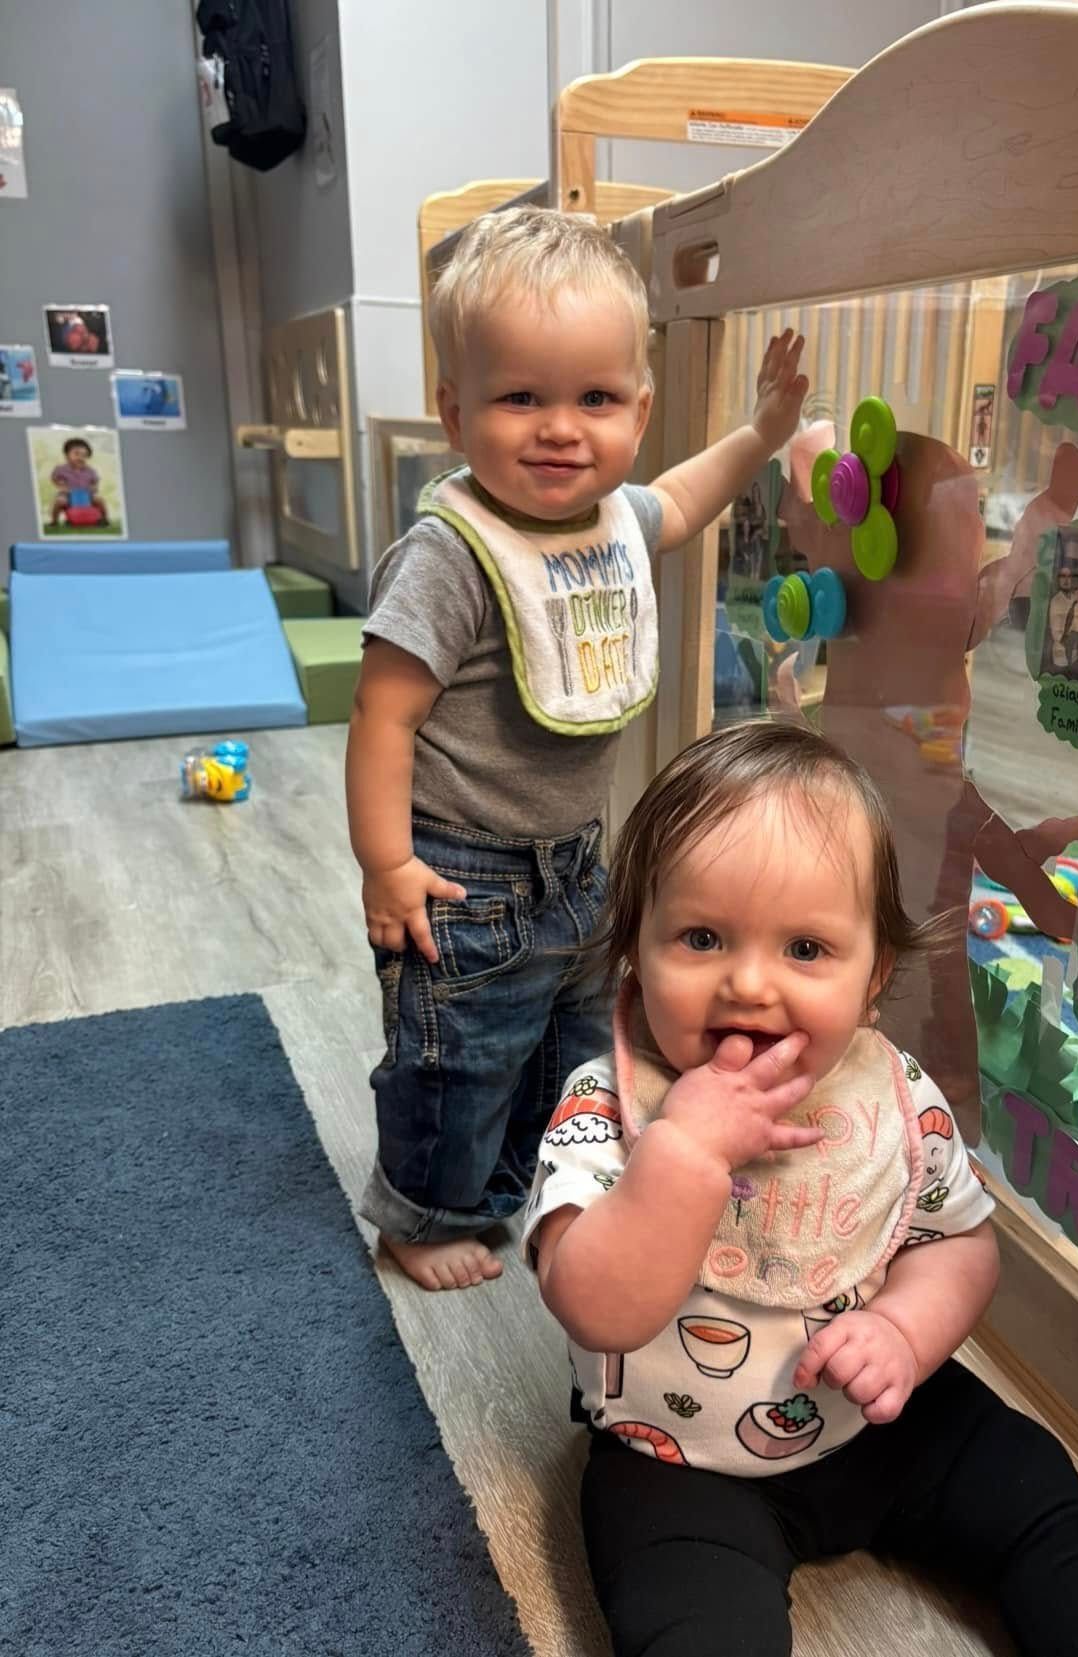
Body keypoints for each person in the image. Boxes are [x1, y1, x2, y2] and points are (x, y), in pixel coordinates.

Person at [524, 720, 1078, 1656]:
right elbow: (592, 1304)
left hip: (880, 1420)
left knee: (1035, 1485)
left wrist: (903, 1332)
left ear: (874, 979)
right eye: (702, 937)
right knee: (693, 1626)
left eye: (805, 948)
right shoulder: (605, 1106)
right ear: (637, 950)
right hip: (677, 1458)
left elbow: (958, 1241)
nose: (749, 983)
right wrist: (683, 1154)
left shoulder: (891, 1099)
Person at [346, 207, 808, 1292]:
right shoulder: (453, 555)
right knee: (459, 1056)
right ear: (454, 413)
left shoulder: (608, 523)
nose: (560, 429)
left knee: (572, 1041)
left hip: (575, 863)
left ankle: (536, 1182)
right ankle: (423, 1216)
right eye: (520, 398)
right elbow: (382, 716)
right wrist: (384, 862)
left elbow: (682, 501)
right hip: (459, 874)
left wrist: (760, 433)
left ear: (638, 411)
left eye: (595, 399)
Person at [48, 437, 107, 529]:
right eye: (76, 454)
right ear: (67, 455)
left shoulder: (90, 470)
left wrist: (93, 487)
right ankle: (54, 521)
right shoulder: (61, 469)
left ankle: (104, 519)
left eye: (84, 455)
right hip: (68, 495)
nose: (80, 458)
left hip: (86, 495)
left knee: (99, 499)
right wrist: (61, 485)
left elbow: (95, 481)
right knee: (60, 501)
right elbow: (54, 478)